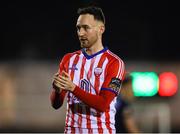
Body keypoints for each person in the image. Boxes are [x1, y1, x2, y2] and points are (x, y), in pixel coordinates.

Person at [50, 6, 125, 134]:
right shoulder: (69, 59)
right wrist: (57, 91)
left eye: (86, 28)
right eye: (78, 28)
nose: (81, 33)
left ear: (101, 29)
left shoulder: (114, 63)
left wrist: (73, 88)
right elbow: (56, 104)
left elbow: (103, 104)